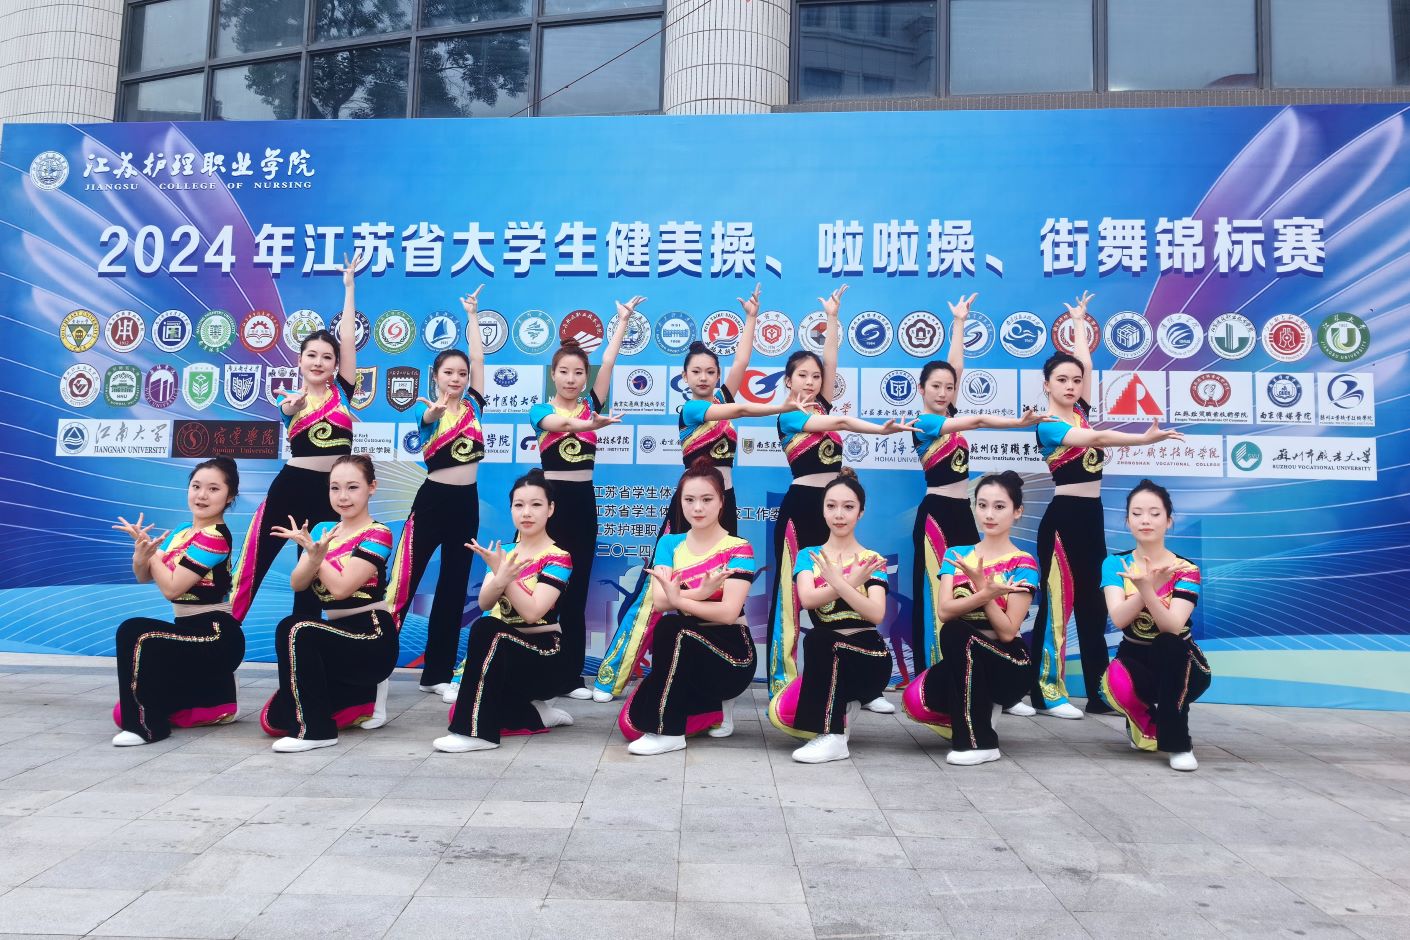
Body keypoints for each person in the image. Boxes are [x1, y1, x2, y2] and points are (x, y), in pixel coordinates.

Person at [594, 288, 801, 703]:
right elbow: (739, 411)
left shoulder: (722, 394)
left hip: (727, 501)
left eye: (710, 371)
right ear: (685, 378)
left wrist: (752, 318)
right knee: (657, 588)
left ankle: (716, 668)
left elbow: (741, 362)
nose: (704, 377)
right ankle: (612, 675)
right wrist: (783, 406)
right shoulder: (690, 410)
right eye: (697, 372)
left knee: (724, 585)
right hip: (689, 506)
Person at [1028, 292, 1184, 719]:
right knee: (1057, 606)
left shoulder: (1080, 410)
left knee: (1094, 608)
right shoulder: (1049, 425)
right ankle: (1046, 692)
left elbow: (1086, 364)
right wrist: (1143, 439)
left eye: (1075, 381)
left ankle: (1100, 693)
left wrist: (1079, 323)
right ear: (1046, 385)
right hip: (1062, 522)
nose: (1071, 385)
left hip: (1090, 519)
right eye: (1062, 380)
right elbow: (1096, 439)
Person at [766, 284, 914, 699]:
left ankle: (853, 678)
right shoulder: (789, 415)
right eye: (802, 376)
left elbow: (831, 360)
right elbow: (844, 424)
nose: (811, 381)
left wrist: (832, 319)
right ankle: (784, 679)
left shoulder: (823, 405)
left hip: (832, 508)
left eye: (815, 377)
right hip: (801, 509)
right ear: (788, 380)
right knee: (794, 592)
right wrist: (880, 430)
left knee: (847, 584)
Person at [909, 294, 1043, 691]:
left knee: (976, 584)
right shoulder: (923, 423)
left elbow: (956, 368)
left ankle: (978, 668)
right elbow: (980, 418)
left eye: (949, 388)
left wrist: (959, 324)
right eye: (935, 386)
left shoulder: (950, 414)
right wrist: (1018, 423)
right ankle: (933, 675)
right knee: (937, 592)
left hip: (963, 513)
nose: (943, 392)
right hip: (936, 515)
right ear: (921, 388)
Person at [231, 252, 363, 621]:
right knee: (254, 563)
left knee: (314, 574)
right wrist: (292, 406)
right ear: (300, 361)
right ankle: (221, 630)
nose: (319, 362)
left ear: (335, 365)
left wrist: (349, 287)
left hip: (331, 494)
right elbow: (287, 410)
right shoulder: (287, 398)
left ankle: (302, 649)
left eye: (326, 357)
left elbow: (348, 339)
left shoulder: (343, 393)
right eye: (311, 356)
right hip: (290, 489)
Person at [530, 299, 639, 699]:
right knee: (542, 591)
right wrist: (589, 423)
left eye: (579, 373)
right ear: (553, 375)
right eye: (564, 372)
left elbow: (608, 362)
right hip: (549, 505)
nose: (572, 379)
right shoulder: (540, 410)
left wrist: (622, 322)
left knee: (575, 593)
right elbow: (559, 423)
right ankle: (536, 669)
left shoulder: (592, 404)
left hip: (583, 503)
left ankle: (571, 676)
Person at [386, 287, 488, 695]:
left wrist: (473, 316)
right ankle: (373, 664)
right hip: (432, 501)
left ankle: (438, 675)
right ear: (436, 376)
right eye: (449, 373)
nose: (457, 379)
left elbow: (478, 358)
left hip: (466, 504)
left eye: (461, 374)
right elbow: (427, 417)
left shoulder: (475, 406)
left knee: (453, 588)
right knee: (404, 583)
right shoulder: (423, 407)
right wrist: (434, 410)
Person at [617, 460, 757, 756]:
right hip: (685, 648)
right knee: (630, 724)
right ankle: (715, 709)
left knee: (672, 626)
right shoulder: (669, 544)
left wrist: (681, 598)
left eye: (707, 499)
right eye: (689, 500)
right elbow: (659, 601)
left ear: (721, 502)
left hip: (731, 654)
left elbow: (728, 613)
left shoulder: (739, 548)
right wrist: (701, 593)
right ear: (680, 503)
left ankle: (669, 733)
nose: (697, 508)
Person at [260, 455, 398, 753]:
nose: (343, 496)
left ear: (372, 487)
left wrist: (316, 556)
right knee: (274, 718)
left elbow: (341, 589)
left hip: (371, 635)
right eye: (335, 488)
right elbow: (297, 583)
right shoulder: (323, 532)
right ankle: (364, 696)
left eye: (352, 487)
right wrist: (312, 554)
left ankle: (316, 732)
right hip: (336, 633)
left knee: (295, 628)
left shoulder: (378, 533)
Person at [434, 470, 576, 753]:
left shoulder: (559, 558)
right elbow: (485, 603)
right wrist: (499, 573)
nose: (526, 512)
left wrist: (504, 575)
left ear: (550, 509)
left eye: (536, 504)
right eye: (518, 505)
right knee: (461, 707)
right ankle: (537, 714)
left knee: (488, 630)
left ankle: (477, 734)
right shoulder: (504, 551)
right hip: (508, 650)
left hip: (546, 654)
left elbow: (533, 613)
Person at [902, 472, 1038, 766]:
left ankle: (980, 743)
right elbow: (944, 611)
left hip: (1009, 663)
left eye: (999, 507)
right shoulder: (956, 555)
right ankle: (979, 712)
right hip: (965, 656)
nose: (989, 514)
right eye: (982, 505)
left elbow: (1007, 631)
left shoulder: (1023, 563)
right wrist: (984, 592)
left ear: (1017, 512)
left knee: (956, 633)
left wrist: (983, 594)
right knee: (917, 698)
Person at [110, 458, 245, 745]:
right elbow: (143, 576)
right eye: (196, 486)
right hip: (186, 630)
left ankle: (147, 729)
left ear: (230, 496)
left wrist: (153, 556)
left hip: (215, 635)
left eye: (213, 489)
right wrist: (141, 552)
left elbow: (172, 588)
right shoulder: (182, 531)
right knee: (122, 711)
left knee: (134, 631)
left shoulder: (215, 538)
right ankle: (216, 698)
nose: (202, 495)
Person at [768, 468, 891, 764]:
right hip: (830, 653)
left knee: (819, 640)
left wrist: (839, 583)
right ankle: (841, 711)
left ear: (861, 512)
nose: (839, 514)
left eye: (848, 507)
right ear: (822, 510)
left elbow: (876, 613)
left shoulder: (871, 560)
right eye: (831, 506)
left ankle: (833, 737)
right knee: (782, 708)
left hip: (869, 658)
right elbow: (808, 599)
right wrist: (850, 582)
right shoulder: (809, 556)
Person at [1099, 479, 1210, 772]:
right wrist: (1147, 587)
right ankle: (1147, 723)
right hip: (1135, 655)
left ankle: (1178, 744)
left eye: (1154, 513)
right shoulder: (1115, 564)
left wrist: (1150, 588)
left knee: (1168, 644)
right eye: (1136, 513)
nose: (1145, 520)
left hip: (1183, 662)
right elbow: (1119, 619)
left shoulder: (1185, 569)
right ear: (1127, 521)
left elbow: (1172, 627)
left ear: (1169, 520)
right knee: (1114, 681)